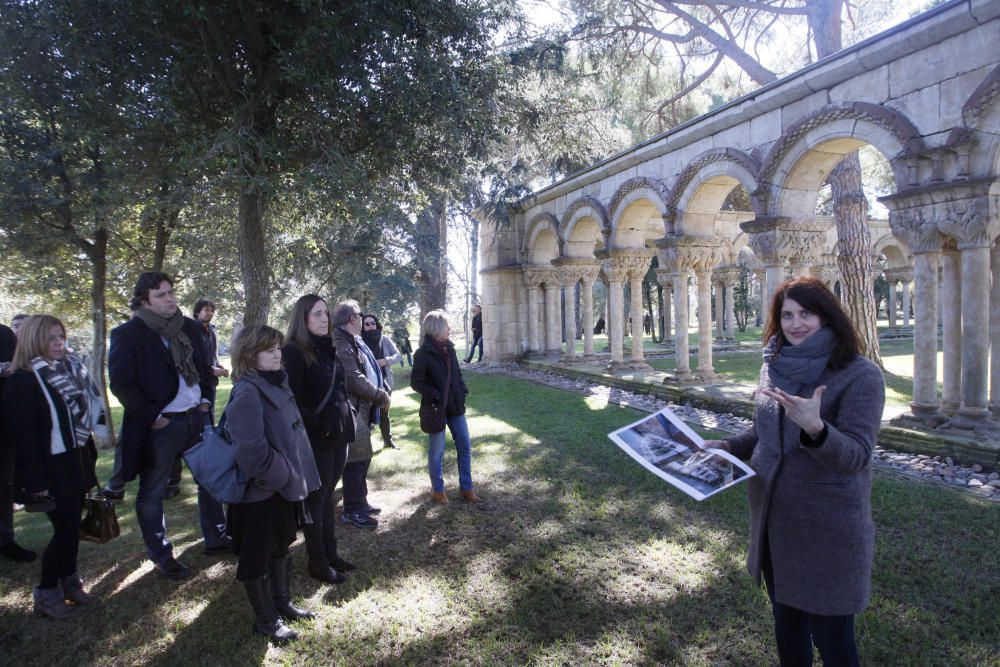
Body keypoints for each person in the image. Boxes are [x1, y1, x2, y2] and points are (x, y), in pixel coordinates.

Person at [703, 276, 884, 667]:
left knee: (833, 641)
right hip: (777, 525)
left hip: (828, 533)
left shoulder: (860, 374)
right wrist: (729, 446)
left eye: (806, 313)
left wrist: (816, 428)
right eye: (787, 314)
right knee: (788, 633)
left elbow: (856, 455)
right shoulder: (774, 366)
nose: (795, 323)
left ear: (827, 316)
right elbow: (763, 430)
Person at [108, 271, 229, 580]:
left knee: (211, 480)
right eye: (160, 295)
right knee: (152, 491)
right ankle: (161, 555)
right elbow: (122, 384)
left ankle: (217, 538)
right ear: (144, 301)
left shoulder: (188, 326)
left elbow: (203, 368)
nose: (170, 298)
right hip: (162, 425)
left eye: (171, 292)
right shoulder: (129, 333)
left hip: (195, 417)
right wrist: (153, 417)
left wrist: (204, 399)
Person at [224, 325, 321, 644]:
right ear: (250, 356)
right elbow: (251, 452)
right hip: (259, 494)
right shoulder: (248, 391)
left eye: (278, 347)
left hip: (281, 488)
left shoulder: (277, 382)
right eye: (269, 350)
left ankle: (282, 604)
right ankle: (266, 620)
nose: (278, 353)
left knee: (281, 545)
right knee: (257, 556)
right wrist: (282, 476)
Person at [4, 315, 101, 618]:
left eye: (61, 336)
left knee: (73, 529)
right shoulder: (23, 379)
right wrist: (36, 481)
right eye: (51, 338)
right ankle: (46, 593)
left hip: (76, 463)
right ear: (34, 340)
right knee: (66, 529)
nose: (60, 343)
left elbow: (82, 420)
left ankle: (70, 583)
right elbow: (24, 437)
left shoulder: (70, 370)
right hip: (50, 468)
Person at [282, 295, 354, 584]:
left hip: (339, 434)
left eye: (326, 313)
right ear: (303, 319)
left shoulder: (327, 348)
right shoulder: (293, 352)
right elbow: (294, 400)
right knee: (316, 500)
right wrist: (321, 428)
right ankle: (318, 561)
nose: (324, 319)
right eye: (317, 314)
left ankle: (331, 554)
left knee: (327, 498)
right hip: (317, 439)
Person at [410, 310, 480, 505]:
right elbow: (416, 382)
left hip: (456, 407)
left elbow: (456, 375)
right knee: (436, 452)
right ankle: (438, 490)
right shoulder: (422, 354)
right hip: (436, 409)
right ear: (437, 328)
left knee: (465, 447)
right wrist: (437, 395)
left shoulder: (449, 349)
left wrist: (462, 390)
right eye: (447, 326)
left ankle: (466, 488)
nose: (450, 329)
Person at [332, 301, 390, 529]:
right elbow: (353, 378)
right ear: (351, 318)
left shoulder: (351, 340)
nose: (362, 317)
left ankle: (360, 502)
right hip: (351, 407)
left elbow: (367, 368)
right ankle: (353, 509)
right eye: (359, 314)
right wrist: (380, 395)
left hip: (360, 407)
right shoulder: (340, 341)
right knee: (356, 459)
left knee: (363, 456)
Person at [0, 321, 37, 563]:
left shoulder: (4, 335)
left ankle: (5, 540)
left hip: (3, 426)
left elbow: (23, 364)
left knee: (3, 485)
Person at [361, 314, 401, 450]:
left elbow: (398, 356)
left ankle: (388, 442)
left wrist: (385, 360)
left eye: (373, 323)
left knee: (384, 413)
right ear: (362, 326)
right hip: (367, 384)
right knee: (366, 414)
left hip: (385, 382)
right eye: (366, 324)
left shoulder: (385, 339)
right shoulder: (359, 341)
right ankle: (366, 446)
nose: (370, 326)